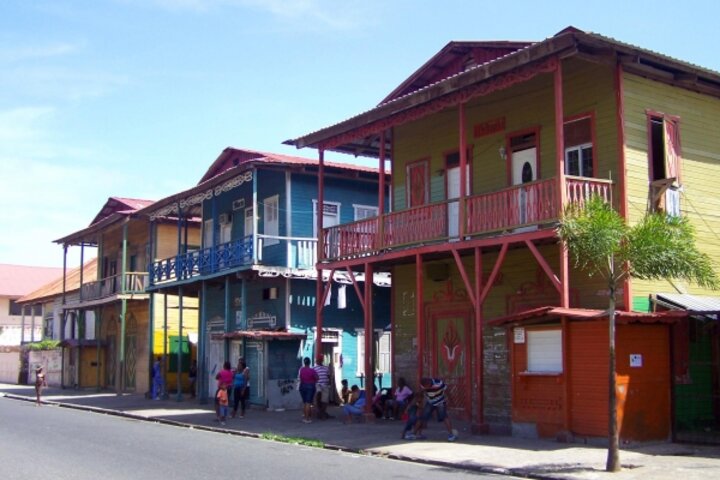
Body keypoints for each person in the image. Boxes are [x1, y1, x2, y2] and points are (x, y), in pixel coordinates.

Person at [414, 377, 458, 442]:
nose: (426, 388)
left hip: (440, 402)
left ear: (429, 382)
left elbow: (447, 391)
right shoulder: (423, 385)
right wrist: (419, 404)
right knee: (423, 417)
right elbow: (421, 393)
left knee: (444, 417)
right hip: (430, 402)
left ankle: (451, 435)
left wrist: (451, 402)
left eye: (427, 386)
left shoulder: (438, 383)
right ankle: (415, 434)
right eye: (425, 387)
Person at [298, 357, 318, 423]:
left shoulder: (301, 370)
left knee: (305, 402)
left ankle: (305, 416)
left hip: (302, 386)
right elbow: (317, 377)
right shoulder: (312, 370)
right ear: (309, 362)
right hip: (310, 386)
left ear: (304, 362)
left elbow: (300, 377)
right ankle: (307, 419)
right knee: (308, 403)